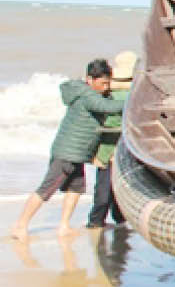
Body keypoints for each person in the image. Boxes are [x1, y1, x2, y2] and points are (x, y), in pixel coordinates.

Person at [8, 59, 126, 242]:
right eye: (103, 83)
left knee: (76, 188)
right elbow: (108, 108)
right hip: (66, 153)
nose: (106, 87)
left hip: (77, 154)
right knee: (46, 190)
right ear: (90, 79)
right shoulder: (87, 96)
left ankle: (64, 225)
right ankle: (20, 225)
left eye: (108, 83)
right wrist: (133, 99)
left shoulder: (89, 93)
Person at [86, 50, 137, 229]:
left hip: (108, 147)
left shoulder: (106, 93)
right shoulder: (135, 92)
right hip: (124, 147)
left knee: (105, 187)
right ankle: (113, 220)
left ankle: (98, 221)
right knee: (118, 186)